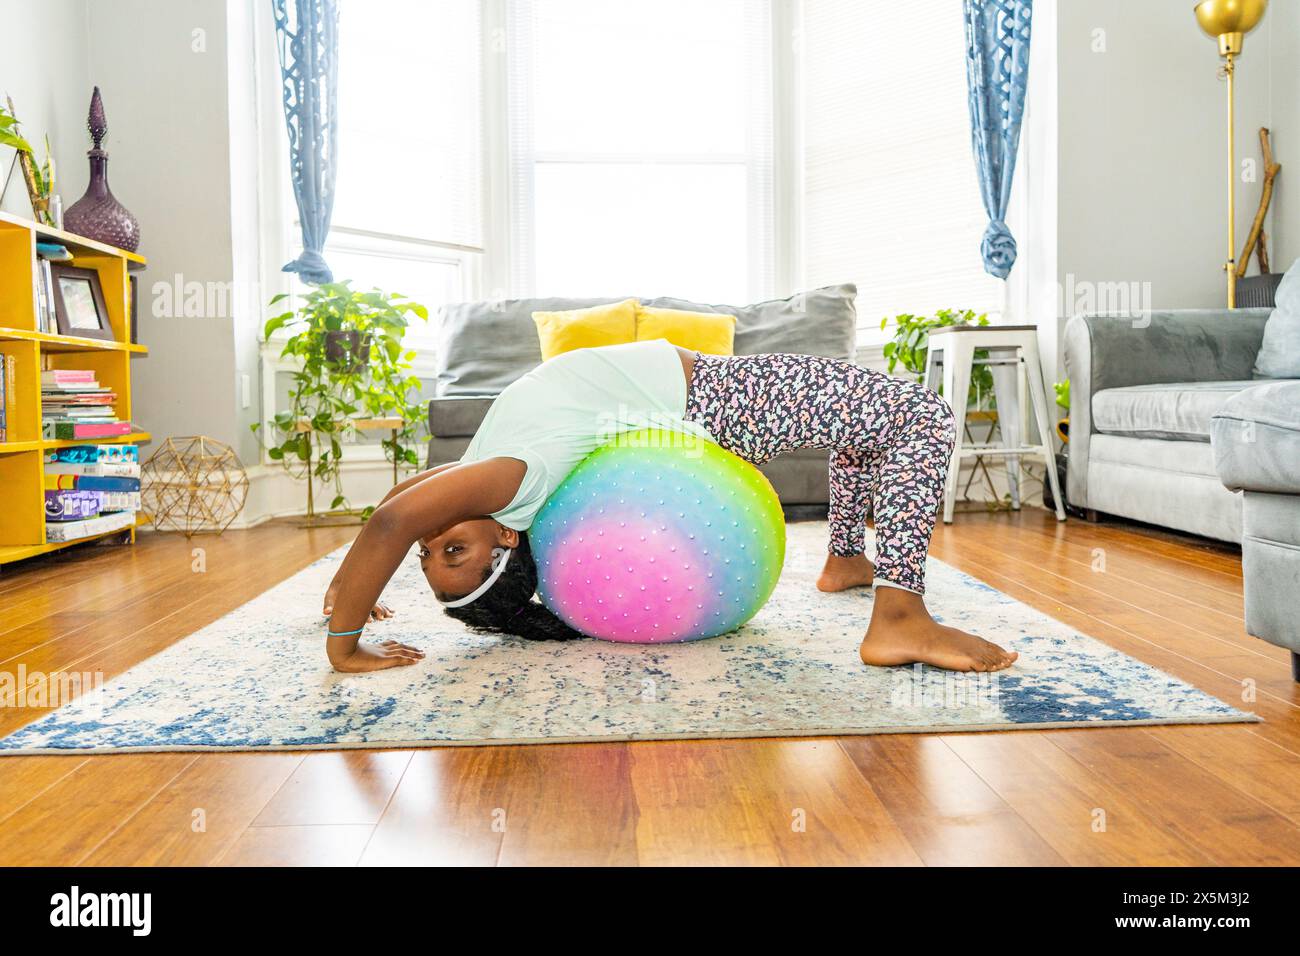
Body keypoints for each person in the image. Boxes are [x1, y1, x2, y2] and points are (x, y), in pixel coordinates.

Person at [321, 340, 1018, 674]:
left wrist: (341, 593)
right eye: (453, 554)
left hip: (709, 396)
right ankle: (900, 616)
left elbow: (398, 504)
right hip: (715, 395)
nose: (435, 534)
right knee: (920, 416)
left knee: (864, 424)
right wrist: (344, 646)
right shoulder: (507, 484)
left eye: (436, 550)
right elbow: (394, 522)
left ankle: (844, 558)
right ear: (506, 541)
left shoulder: (481, 474)